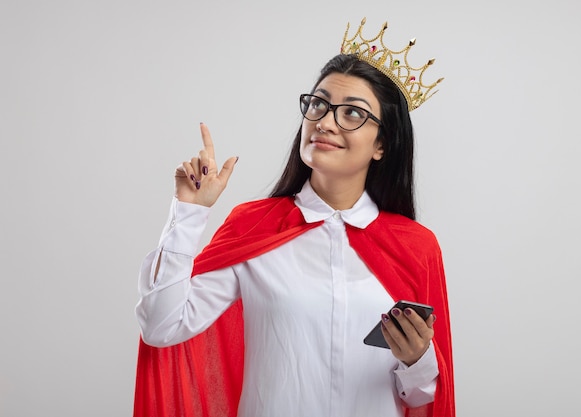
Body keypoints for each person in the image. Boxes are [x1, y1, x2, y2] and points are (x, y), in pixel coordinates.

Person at [133, 18, 455, 417]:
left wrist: (417, 360)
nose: (324, 121)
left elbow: (423, 397)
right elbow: (162, 328)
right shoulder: (254, 227)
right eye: (319, 104)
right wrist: (189, 213)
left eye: (351, 113)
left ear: (382, 144)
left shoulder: (414, 246)